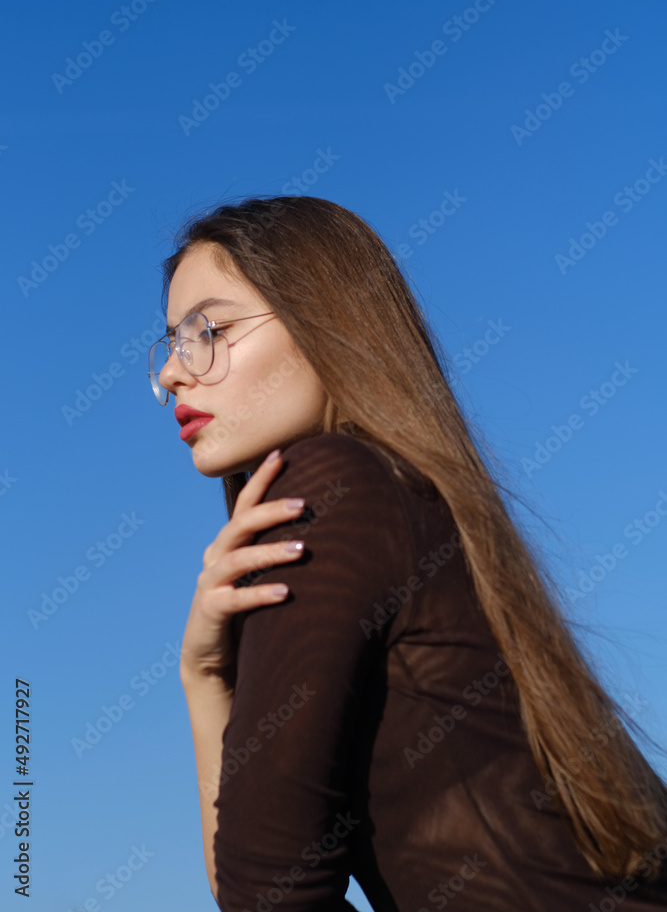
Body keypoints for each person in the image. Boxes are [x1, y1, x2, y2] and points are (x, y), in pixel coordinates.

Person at [148, 194, 667, 911]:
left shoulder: (333, 482)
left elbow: (266, 892)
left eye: (210, 328)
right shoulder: (411, 499)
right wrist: (203, 675)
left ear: (322, 319)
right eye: (172, 340)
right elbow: (264, 878)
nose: (176, 371)